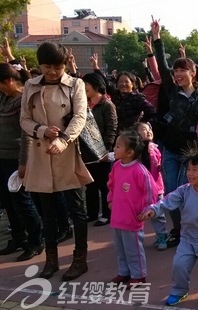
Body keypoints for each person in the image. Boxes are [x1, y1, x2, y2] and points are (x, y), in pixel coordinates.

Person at [20, 42, 94, 280]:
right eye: (47, 66)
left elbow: (80, 116)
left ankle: (80, 259)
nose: (52, 71)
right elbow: (24, 120)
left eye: (58, 66)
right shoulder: (30, 86)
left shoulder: (76, 84)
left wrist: (63, 140)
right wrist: (41, 130)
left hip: (69, 153)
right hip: (42, 155)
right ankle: (50, 261)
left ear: (65, 65)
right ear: (40, 65)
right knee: (48, 212)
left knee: (77, 209)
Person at [139, 148, 198, 309]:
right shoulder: (185, 190)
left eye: (195, 170)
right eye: (189, 169)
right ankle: (179, 291)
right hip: (187, 239)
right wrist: (154, 209)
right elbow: (167, 201)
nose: (190, 173)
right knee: (179, 265)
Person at [151, 17, 198, 248]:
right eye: (175, 70)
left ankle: (190, 228)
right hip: (169, 147)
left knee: (182, 191)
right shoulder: (171, 89)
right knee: (170, 192)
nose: (177, 74)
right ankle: (178, 229)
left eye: (182, 71)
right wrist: (157, 39)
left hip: (189, 150)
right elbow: (160, 63)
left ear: (193, 72)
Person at [0, 60, 43, 262]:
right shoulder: (3, 98)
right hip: (2, 157)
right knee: (8, 202)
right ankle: (18, 238)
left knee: (23, 202)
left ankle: (36, 241)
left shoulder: (23, 101)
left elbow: (27, 134)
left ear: (8, 81)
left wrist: (24, 162)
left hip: (16, 159)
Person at [107, 130, 158, 285]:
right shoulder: (116, 166)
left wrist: (146, 210)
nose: (114, 149)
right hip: (117, 217)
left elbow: (152, 191)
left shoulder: (140, 171)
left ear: (129, 152)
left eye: (118, 146)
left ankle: (138, 275)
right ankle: (124, 272)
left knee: (133, 249)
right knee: (120, 248)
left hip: (132, 218)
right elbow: (111, 185)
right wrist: (110, 199)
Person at [81, 72, 117, 226]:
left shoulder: (107, 104)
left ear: (96, 85)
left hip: (101, 151)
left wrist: (105, 150)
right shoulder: (83, 104)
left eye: (86, 84)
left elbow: (112, 128)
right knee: (90, 184)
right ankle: (92, 212)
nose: (83, 88)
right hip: (86, 151)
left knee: (104, 184)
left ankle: (108, 213)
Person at [135, 122, 169, 250]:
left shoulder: (155, 149)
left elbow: (159, 165)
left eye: (150, 129)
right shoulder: (135, 153)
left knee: (157, 213)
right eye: (144, 129)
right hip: (141, 189)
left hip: (156, 188)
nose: (148, 131)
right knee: (138, 213)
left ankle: (162, 236)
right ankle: (135, 237)